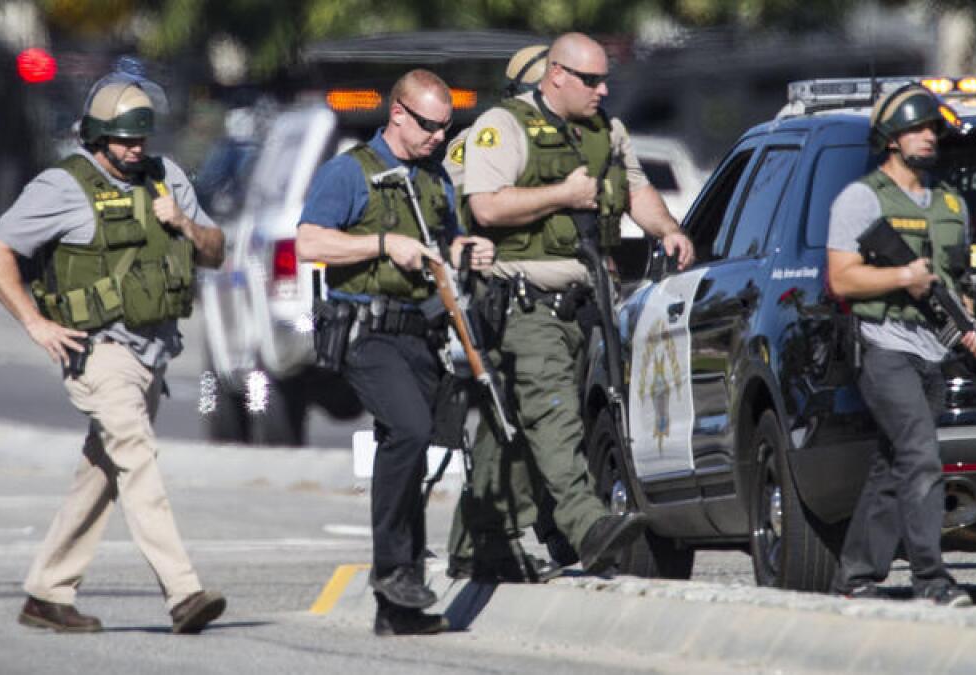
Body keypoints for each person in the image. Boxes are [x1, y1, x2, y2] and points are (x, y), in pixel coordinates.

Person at [0, 71, 228, 633]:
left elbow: (216, 251)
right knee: (136, 456)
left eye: (142, 138)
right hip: (97, 349)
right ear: (94, 136)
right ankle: (183, 591)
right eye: (123, 139)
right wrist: (35, 323)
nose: (135, 149)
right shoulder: (62, 187)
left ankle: (47, 592)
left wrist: (183, 223)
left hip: (153, 350)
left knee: (103, 472)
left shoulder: (168, 178)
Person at [458, 32, 695, 575]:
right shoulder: (505, 126)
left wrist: (668, 231)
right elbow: (487, 207)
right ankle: (588, 528)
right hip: (525, 302)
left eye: (604, 79)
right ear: (557, 75)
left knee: (518, 429)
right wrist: (561, 195)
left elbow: (635, 189)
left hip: (589, 302)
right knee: (556, 416)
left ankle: (477, 542)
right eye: (591, 80)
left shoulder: (607, 130)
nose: (603, 89)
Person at [296, 69, 496, 636]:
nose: (439, 136)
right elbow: (309, 240)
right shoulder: (351, 172)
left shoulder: (435, 179)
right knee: (406, 430)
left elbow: (446, 239)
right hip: (366, 331)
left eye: (446, 126)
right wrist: (383, 244)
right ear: (399, 114)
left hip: (421, 335)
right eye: (429, 125)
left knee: (415, 445)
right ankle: (392, 570)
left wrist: (467, 248)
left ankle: (399, 607)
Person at [826, 83, 976, 607]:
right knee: (921, 455)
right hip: (882, 346)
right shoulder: (862, 199)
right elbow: (842, 280)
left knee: (892, 461)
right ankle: (932, 578)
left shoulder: (949, 203)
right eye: (917, 128)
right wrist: (902, 275)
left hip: (932, 350)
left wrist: (971, 322)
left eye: (932, 129)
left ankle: (855, 576)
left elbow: (957, 281)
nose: (928, 137)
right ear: (890, 139)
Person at [443, 43, 576, 582]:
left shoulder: (572, 135)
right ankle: (488, 539)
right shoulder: (483, 139)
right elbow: (455, 213)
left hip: (555, 298)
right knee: (512, 422)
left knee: (530, 423)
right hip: (497, 298)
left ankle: (527, 533)